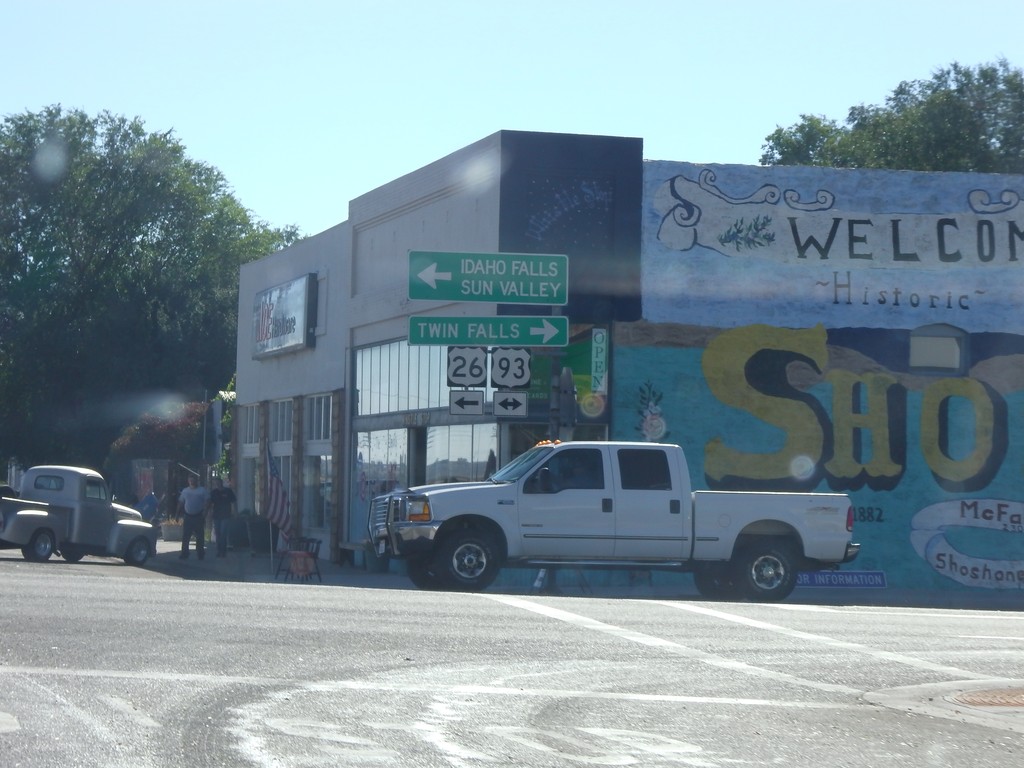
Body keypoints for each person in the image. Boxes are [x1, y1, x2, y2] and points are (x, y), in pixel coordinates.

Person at [177, 474, 210, 560]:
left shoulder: (202, 490)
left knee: (199, 536)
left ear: (196, 481)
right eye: (190, 480)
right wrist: (177, 514)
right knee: (186, 536)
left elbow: (207, 502)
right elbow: (181, 503)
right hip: (188, 516)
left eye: (193, 480)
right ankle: (184, 553)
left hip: (198, 516)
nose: (191, 482)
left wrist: (205, 514)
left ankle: (200, 553)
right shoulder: (185, 491)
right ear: (188, 481)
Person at [208, 477, 236, 557]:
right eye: (215, 483)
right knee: (218, 534)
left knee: (223, 533)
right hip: (216, 516)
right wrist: (209, 514)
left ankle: (223, 551)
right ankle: (219, 550)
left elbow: (233, 502)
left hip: (226, 515)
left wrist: (235, 513)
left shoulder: (228, 491)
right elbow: (210, 504)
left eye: (218, 482)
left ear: (221, 482)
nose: (217, 484)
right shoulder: (213, 492)